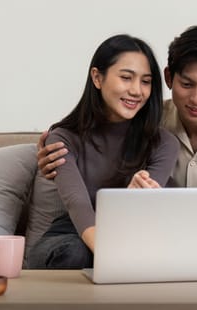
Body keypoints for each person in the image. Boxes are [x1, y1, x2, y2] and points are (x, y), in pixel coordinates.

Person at [37, 26, 197, 269]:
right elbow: (89, 138)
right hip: (131, 237)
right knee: (76, 253)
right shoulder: (143, 118)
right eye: (187, 84)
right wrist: (49, 151)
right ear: (169, 78)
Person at [28, 34, 179, 269]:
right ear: (97, 78)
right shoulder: (63, 138)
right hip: (73, 234)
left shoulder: (164, 143)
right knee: (77, 255)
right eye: (126, 78)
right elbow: (77, 203)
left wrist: (130, 202)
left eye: (146, 81)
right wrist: (112, 258)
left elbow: (145, 211)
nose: (137, 90)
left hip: (133, 231)